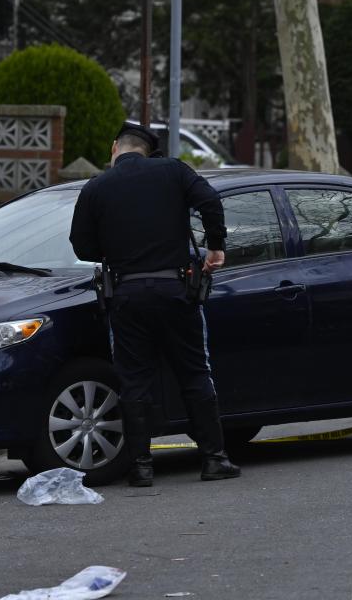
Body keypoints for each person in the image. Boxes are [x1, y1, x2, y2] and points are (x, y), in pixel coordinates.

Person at [69, 123, 241, 486]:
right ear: (148, 151)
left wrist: (116, 247)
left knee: (133, 380)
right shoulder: (174, 171)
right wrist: (215, 245)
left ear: (115, 147)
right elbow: (210, 200)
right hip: (176, 289)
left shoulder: (97, 187)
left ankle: (141, 467)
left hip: (128, 295)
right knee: (195, 371)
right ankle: (214, 458)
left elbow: (81, 246)